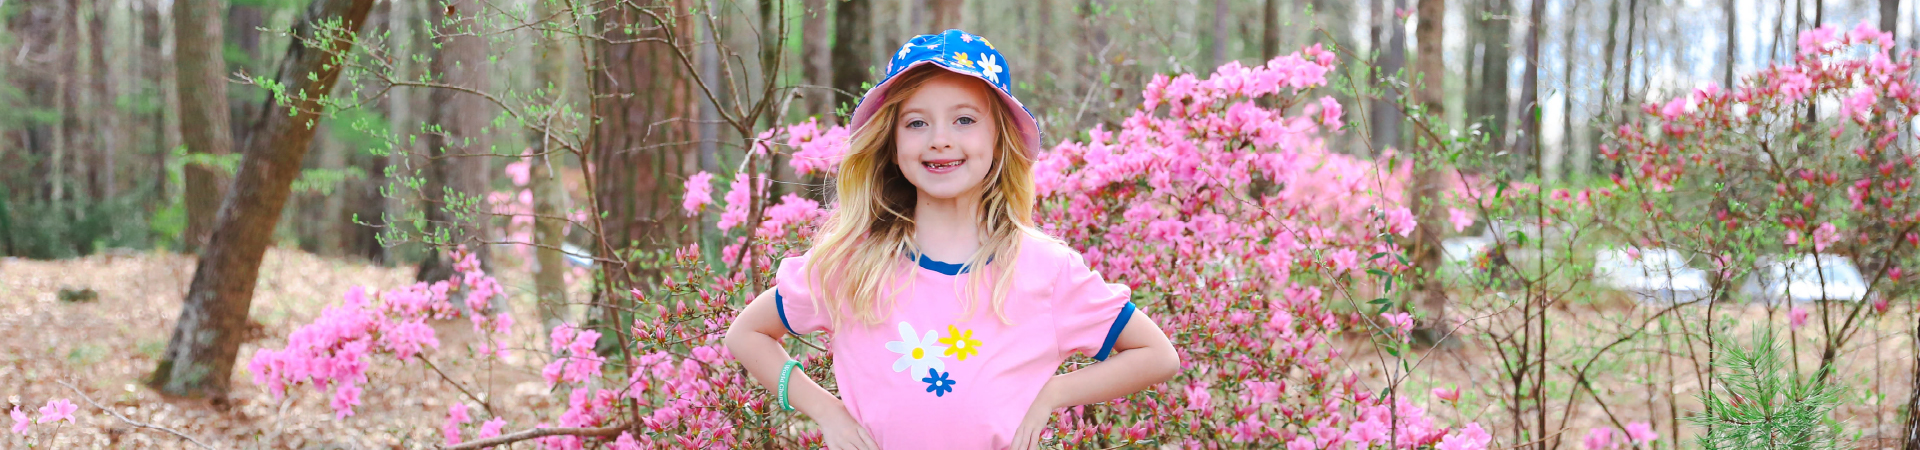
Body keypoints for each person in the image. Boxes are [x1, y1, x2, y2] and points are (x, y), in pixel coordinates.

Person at [723, 29, 1180, 450]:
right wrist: (826, 410)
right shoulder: (854, 262)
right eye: (917, 123)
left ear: (999, 139)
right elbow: (748, 333)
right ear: (893, 143)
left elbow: (1156, 354)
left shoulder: (1044, 268)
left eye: (964, 119)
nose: (940, 139)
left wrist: (1053, 393)